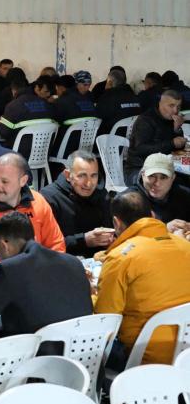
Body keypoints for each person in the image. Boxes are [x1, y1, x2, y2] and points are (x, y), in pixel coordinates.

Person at [0, 212, 93, 350]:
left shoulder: (10, 269)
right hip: (82, 354)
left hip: (35, 359)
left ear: (4, 245)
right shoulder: (74, 262)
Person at [95, 192, 190, 365]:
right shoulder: (185, 246)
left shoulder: (121, 258)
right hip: (186, 353)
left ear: (116, 223)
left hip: (144, 356)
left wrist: (91, 295)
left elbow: (106, 318)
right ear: (152, 215)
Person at [0, 153, 66, 274]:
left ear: (23, 181)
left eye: (4, 182)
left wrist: (50, 272)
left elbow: (56, 246)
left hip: (38, 274)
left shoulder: (38, 202)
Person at [40, 150, 114, 257]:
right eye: (82, 176)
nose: (88, 183)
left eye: (93, 176)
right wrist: (84, 240)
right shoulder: (49, 198)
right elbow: (45, 245)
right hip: (63, 260)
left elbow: (111, 230)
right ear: (68, 175)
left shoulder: (101, 194)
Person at [125, 89, 185, 185]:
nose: (175, 111)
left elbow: (179, 148)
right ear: (160, 104)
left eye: (178, 107)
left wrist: (177, 129)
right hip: (139, 169)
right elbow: (140, 148)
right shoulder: (146, 120)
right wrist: (171, 143)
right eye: (171, 106)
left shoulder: (171, 120)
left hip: (163, 167)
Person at [124, 153, 190, 224]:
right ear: (143, 175)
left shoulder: (185, 196)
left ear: (173, 178)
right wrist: (164, 228)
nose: (157, 183)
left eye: (163, 177)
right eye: (152, 176)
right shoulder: (128, 202)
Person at [0, 76, 57, 151]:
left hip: (18, 153)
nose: (48, 94)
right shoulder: (49, 105)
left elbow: (3, 132)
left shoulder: (13, 105)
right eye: (46, 91)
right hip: (43, 152)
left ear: (14, 90)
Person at [51, 70, 98, 157]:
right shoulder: (90, 99)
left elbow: (55, 121)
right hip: (87, 147)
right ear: (77, 84)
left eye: (89, 85)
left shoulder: (64, 100)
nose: (87, 88)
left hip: (67, 148)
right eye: (85, 85)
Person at [95, 67, 141, 135]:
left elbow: (97, 117)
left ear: (110, 82)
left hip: (111, 137)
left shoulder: (108, 96)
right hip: (130, 136)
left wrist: (107, 91)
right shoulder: (134, 96)